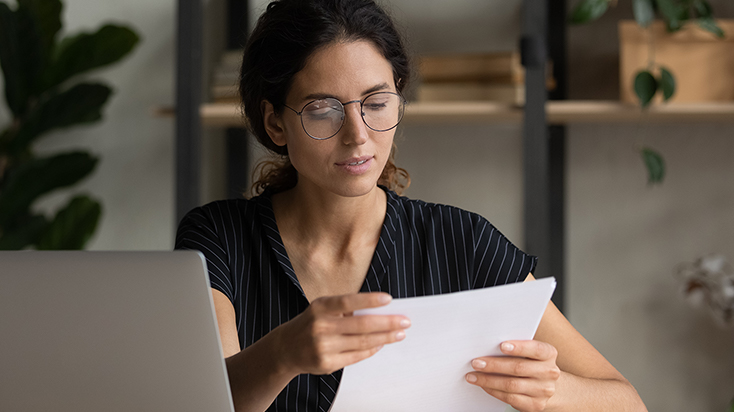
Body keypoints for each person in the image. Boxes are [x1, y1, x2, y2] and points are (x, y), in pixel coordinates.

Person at [175, 0, 647, 411]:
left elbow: (627, 402)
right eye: (323, 109)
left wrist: (553, 391)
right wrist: (282, 354)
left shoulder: (462, 241)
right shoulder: (217, 238)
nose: (358, 136)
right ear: (275, 123)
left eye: (376, 103)